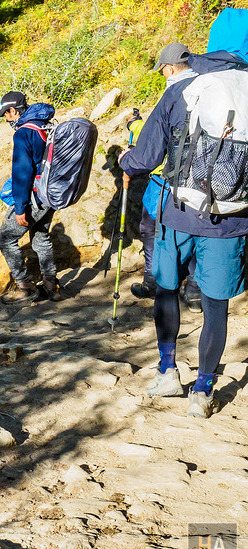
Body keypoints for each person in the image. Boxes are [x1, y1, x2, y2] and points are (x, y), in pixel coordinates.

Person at [119, 42, 248, 418]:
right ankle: (204, 392)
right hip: (233, 220)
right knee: (216, 307)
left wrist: (126, 158)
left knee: (167, 288)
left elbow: (144, 159)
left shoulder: (180, 92)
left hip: (180, 213)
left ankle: (168, 372)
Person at [125, 106, 201, 311]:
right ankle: (194, 290)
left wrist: (134, 124)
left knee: (150, 229)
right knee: (195, 232)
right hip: (202, 183)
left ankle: (151, 282)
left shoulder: (178, 93)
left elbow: (155, 134)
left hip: (166, 181)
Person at [0, 91, 63, 303]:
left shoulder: (24, 133)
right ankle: (52, 286)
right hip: (50, 193)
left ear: (13, 111)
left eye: (5, 114)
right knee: (41, 237)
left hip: (34, 196)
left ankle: (24, 286)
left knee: (6, 239)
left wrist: (21, 207)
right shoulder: (46, 125)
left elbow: (22, 174)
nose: (6, 119)